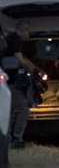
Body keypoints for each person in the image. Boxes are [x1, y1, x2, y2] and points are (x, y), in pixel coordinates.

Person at [4, 20, 44, 149]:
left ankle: (8, 139)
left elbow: (23, 59)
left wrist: (37, 69)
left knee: (10, 111)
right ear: (23, 30)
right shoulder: (15, 40)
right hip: (12, 82)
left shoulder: (12, 40)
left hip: (9, 82)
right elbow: (20, 60)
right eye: (28, 31)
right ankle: (16, 140)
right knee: (22, 110)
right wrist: (35, 71)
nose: (30, 34)